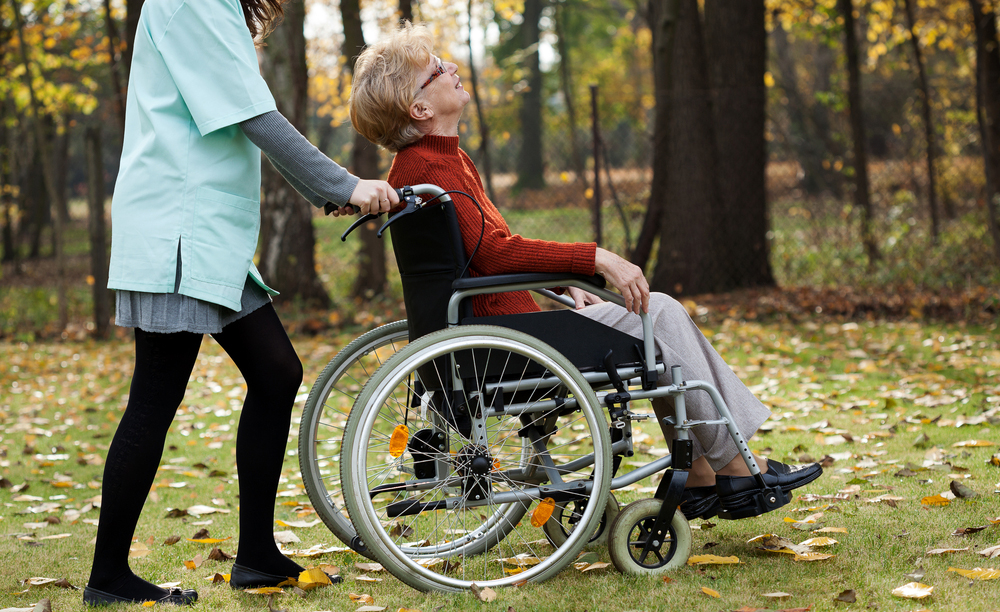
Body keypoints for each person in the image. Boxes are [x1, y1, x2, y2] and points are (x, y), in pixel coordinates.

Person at [348, 23, 822, 525]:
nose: (454, 69)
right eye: (438, 70)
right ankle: (732, 469)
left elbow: (481, 254)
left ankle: (707, 471)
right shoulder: (429, 167)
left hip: (503, 331)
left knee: (657, 315)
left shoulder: (443, 160)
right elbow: (495, 254)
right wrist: (593, 258)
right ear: (419, 109)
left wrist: (561, 281)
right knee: (656, 313)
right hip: (505, 343)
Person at [85, 0, 399, 606]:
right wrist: (343, 185)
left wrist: (328, 190)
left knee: (277, 372)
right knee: (154, 397)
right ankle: (108, 579)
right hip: (179, 227)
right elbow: (254, 114)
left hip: (208, 233)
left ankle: (255, 556)